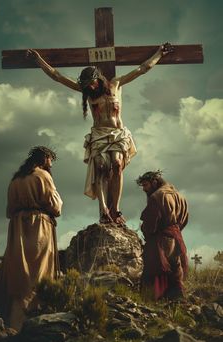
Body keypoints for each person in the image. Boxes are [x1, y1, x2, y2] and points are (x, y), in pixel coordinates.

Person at [27, 44, 173, 224]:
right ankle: (104, 209)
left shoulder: (116, 84)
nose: (90, 87)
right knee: (102, 168)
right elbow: (57, 76)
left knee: (117, 165)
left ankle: (116, 209)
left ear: (99, 79)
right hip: (98, 135)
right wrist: (38, 60)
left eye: (92, 83)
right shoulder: (87, 93)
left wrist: (160, 53)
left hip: (118, 134)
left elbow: (143, 68)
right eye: (87, 85)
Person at [0, 146, 63, 331]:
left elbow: (9, 210)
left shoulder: (16, 178)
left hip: (17, 228)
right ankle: (34, 323)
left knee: (18, 272)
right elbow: (55, 206)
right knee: (38, 273)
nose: (51, 164)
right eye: (50, 160)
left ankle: (13, 321)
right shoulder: (43, 176)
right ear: (45, 158)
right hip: (38, 226)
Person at [136, 170, 188, 301]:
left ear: (154, 182)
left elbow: (150, 225)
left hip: (160, 242)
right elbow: (184, 219)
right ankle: (176, 303)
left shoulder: (156, 197)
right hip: (176, 238)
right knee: (175, 272)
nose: (144, 189)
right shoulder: (179, 196)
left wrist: (145, 230)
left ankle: (152, 301)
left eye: (145, 185)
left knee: (153, 270)